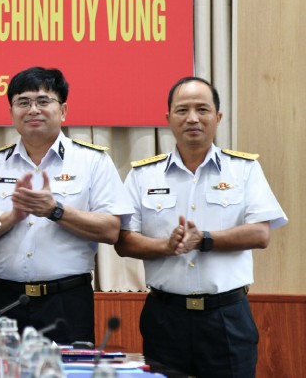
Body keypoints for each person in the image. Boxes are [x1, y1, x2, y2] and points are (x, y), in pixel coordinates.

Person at [115, 77, 287, 377]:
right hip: (165, 316)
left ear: (218, 117)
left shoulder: (244, 169)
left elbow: (260, 234)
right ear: (168, 118)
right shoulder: (144, 174)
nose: (192, 118)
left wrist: (204, 239)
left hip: (226, 317)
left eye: (202, 109)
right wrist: (164, 247)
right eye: (182, 110)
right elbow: (123, 240)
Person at [0, 66, 130, 344]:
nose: (33, 109)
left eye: (43, 101)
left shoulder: (92, 161)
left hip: (66, 302)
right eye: (23, 102)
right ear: (11, 113)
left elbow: (111, 230)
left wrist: (55, 211)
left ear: (63, 111)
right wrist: (14, 216)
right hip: (4, 300)